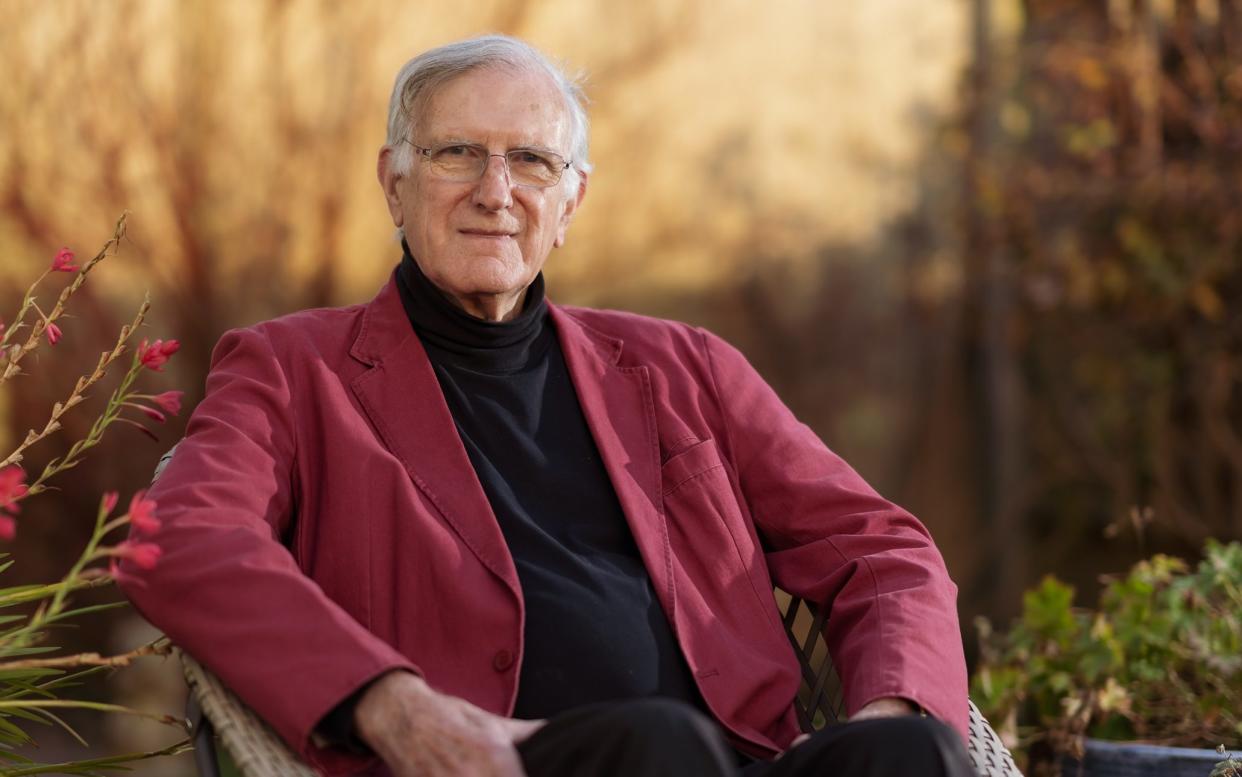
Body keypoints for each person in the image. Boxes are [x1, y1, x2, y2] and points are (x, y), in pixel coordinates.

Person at [120, 35, 975, 777]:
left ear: (570, 202)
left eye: (532, 160)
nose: (497, 191)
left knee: (912, 754)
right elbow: (181, 540)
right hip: (497, 760)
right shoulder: (293, 369)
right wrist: (390, 703)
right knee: (657, 745)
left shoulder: (685, 365)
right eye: (459, 153)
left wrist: (896, 703)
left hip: (733, 754)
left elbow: (881, 548)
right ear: (394, 183)